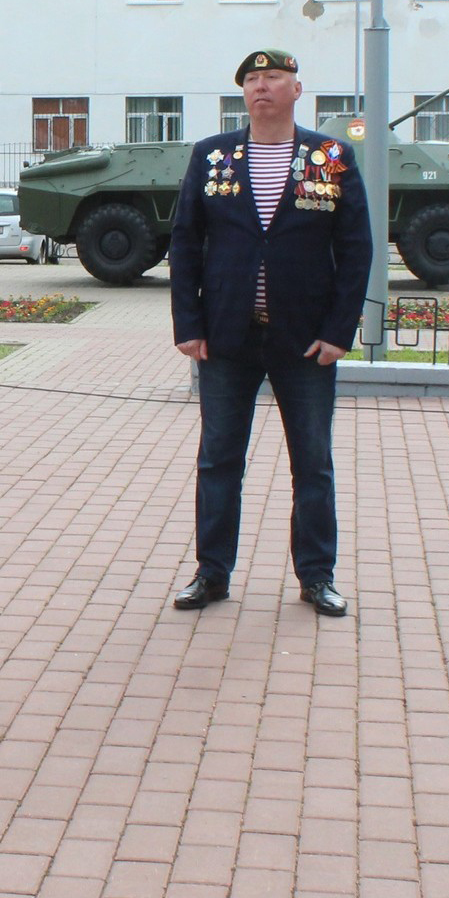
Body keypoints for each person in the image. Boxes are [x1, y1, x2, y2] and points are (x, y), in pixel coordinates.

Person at [167, 49, 370, 618]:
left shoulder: (328, 157)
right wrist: (189, 324)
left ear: (296, 89)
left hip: (305, 340)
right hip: (227, 336)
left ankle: (316, 576)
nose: (262, 87)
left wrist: (338, 331)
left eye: (273, 77)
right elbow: (184, 242)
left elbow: (355, 249)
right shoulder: (213, 157)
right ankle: (212, 574)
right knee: (218, 460)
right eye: (252, 79)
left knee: (313, 462)